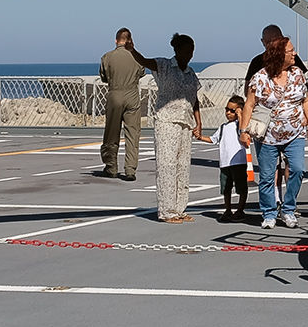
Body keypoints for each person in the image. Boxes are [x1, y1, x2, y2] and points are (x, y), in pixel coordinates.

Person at [246, 24, 308, 229]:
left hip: (294, 132)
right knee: (267, 176)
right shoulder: (259, 73)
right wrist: (244, 129)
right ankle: (269, 212)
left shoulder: (297, 72)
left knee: (298, 169)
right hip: (268, 134)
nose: (294, 54)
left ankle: (289, 208)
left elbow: (306, 97)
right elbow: (249, 102)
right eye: (291, 51)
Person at [146, 34, 207, 221]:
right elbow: (144, 61)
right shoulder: (164, 65)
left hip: (185, 122)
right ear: (177, 49)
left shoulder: (190, 73)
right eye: (188, 50)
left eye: (192, 50)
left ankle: (180, 208)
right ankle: (166, 210)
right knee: (167, 165)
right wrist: (131, 49)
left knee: (182, 166)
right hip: (167, 121)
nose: (190, 54)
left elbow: (194, 99)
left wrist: (199, 122)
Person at [96, 28, 151, 182]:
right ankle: (130, 169)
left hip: (115, 94)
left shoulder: (107, 57)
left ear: (116, 40)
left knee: (111, 133)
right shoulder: (135, 57)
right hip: (132, 95)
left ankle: (111, 166)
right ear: (129, 40)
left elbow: (104, 77)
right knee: (133, 134)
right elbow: (141, 73)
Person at [216, 95, 251, 220]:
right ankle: (228, 209)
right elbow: (213, 139)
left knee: (241, 186)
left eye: (232, 111)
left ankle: (240, 209)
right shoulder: (223, 127)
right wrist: (199, 137)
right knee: (226, 187)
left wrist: (241, 116)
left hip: (238, 162)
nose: (228, 113)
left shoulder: (240, 125)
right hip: (225, 162)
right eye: (226, 109)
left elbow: (243, 131)